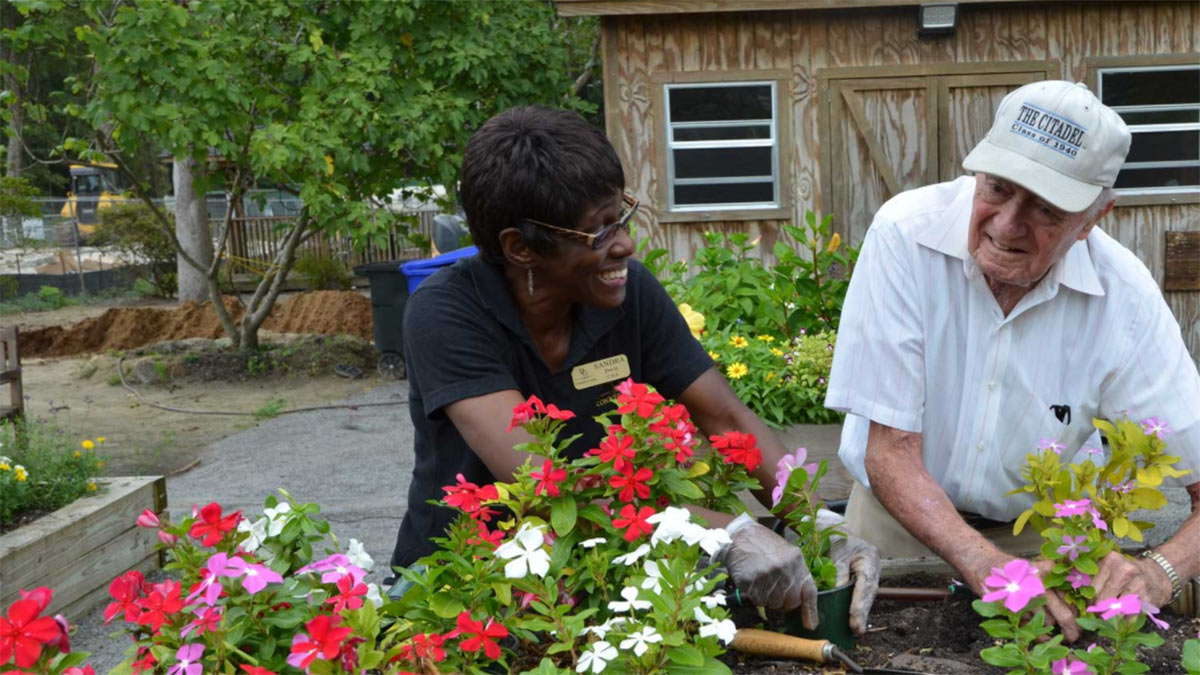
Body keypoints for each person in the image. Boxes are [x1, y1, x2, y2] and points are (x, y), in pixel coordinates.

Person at [388, 105, 879, 633]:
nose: (625, 243)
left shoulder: (630, 294)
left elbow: (727, 421)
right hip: (465, 587)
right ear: (521, 247)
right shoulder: (447, 313)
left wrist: (816, 522)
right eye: (596, 232)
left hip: (600, 568)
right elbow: (551, 489)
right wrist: (726, 532)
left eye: (620, 215)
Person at [825, 80, 1200, 642]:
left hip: (1047, 544)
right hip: (893, 528)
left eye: (1045, 207)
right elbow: (890, 451)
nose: (1005, 224)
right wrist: (985, 565)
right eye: (998, 188)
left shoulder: (1125, 298)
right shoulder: (906, 235)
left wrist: (1159, 571)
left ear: (1095, 216)